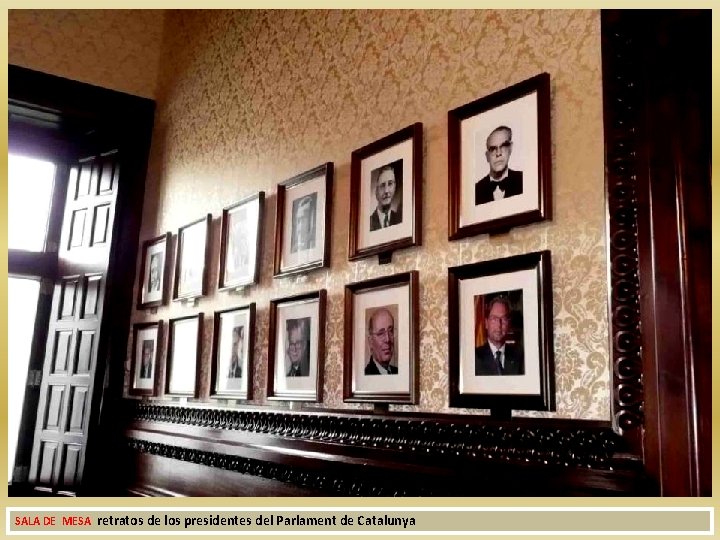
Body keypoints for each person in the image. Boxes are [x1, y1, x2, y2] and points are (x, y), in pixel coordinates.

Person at [475, 296, 524, 376]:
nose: (499, 325)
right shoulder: (475, 357)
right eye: (494, 319)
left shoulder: (520, 356)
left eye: (504, 319)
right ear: (486, 323)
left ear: (509, 324)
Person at [475, 126, 523, 205]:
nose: (498, 153)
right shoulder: (476, 190)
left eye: (503, 146)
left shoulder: (523, 180)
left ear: (510, 148)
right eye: (493, 149)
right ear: (487, 156)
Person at [365, 307, 398, 375]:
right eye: (381, 333)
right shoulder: (367, 374)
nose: (387, 339)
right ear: (370, 341)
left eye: (390, 331)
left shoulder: (397, 372)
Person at [369, 164, 402, 231]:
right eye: (382, 185)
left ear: (394, 187)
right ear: (376, 191)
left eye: (390, 184)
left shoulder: (400, 219)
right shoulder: (369, 223)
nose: (386, 191)